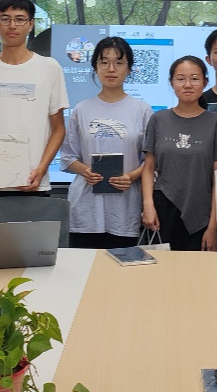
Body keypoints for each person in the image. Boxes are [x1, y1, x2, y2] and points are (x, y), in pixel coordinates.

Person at [0, 0, 69, 204]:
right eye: (5, 19)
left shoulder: (49, 68)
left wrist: (41, 169)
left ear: (30, 24)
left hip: (31, 183)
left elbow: (58, 129)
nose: (12, 26)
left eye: (19, 19)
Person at [61, 36, 152, 248]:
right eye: (104, 62)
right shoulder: (82, 109)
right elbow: (68, 157)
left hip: (124, 208)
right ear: (95, 67)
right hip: (86, 208)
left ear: (129, 68)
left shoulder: (142, 110)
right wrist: (86, 171)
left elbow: (150, 161)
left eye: (119, 62)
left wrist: (131, 176)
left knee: (123, 266)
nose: (111, 69)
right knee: (84, 265)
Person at [141, 56, 217, 250]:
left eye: (194, 79)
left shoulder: (216, 123)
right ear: (171, 82)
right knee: (161, 266)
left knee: (196, 268)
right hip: (162, 210)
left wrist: (213, 226)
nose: (187, 85)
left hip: (200, 212)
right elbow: (148, 168)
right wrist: (148, 206)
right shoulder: (158, 119)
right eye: (180, 79)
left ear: (205, 82)